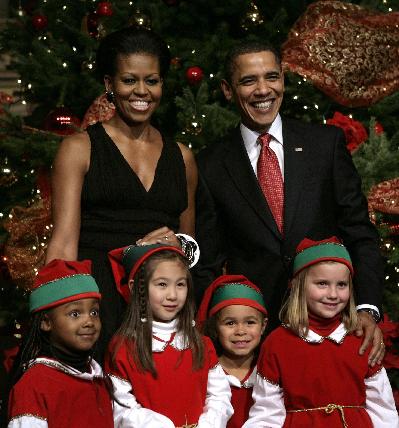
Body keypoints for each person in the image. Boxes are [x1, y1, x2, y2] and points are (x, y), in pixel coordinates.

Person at [194, 39, 384, 362]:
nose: (263, 90)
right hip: (254, 341)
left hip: (332, 327)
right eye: (248, 80)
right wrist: (205, 331)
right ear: (228, 90)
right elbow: (209, 262)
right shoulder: (210, 165)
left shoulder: (325, 145)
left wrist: (368, 308)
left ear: (283, 79)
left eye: (271, 76)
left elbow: (359, 233)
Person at [45, 27, 199, 360]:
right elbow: (63, 244)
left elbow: (190, 246)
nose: (141, 91)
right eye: (129, 80)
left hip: (161, 306)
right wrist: (63, 314)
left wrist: (179, 245)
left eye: (152, 81)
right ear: (109, 84)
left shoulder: (183, 157)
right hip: (99, 300)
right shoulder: (79, 148)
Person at [242, 237, 398, 428]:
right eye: (322, 284)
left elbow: (382, 408)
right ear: (299, 286)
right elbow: (267, 412)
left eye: (341, 285)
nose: (333, 294)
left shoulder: (360, 339)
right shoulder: (277, 343)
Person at [104, 243, 233, 427]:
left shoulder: (200, 343)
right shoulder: (124, 347)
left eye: (180, 284)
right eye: (162, 284)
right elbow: (121, 408)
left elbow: (220, 395)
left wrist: (208, 424)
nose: (173, 295)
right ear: (137, 287)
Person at [7, 259, 114, 428]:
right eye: (75, 313)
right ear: (46, 322)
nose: (89, 321)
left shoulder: (99, 379)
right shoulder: (35, 384)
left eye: (94, 312)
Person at [197, 274, 268, 428]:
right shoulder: (207, 374)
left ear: (263, 326)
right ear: (216, 327)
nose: (240, 331)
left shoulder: (270, 372)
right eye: (230, 323)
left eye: (250, 322)